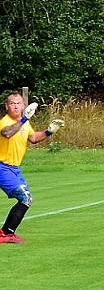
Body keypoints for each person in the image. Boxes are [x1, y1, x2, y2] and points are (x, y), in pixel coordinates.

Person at [0, 92, 65, 243]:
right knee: (25, 197)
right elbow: (7, 133)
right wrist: (24, 119)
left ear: (23, 105)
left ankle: (7, 232)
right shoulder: (5, 121)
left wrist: (49, 131)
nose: (15, 106)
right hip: (3, 167)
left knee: (26, 198)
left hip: (14, 169)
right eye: (12, 103)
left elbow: (34, 138)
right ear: (7, 106)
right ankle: (6, 234)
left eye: (18, 103)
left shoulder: (24, 123)